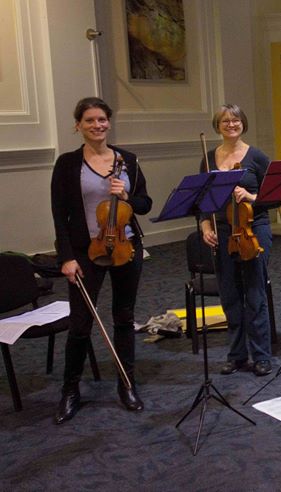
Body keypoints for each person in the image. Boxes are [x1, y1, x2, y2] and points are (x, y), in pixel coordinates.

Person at [51, 97, 152, 423]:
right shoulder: (67, 164)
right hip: (86, 251)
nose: (97, 125)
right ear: (78, 125)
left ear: (109, 123)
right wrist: (66, 257)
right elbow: (59, 215)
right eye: (90, 120)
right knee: (80, 324)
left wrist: (126, 196)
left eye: (102, 120)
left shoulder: (128, 160)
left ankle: (127, 383)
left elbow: (145, 203)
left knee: (123, 317)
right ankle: (70, 389)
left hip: (125, 247)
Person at [199, 104, 274, 377]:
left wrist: (252, 197)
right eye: (225, 121)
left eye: (235, 120)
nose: (231, 125)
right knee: (230, 296)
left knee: (255, 295)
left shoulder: (257, 157)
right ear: (217, 126)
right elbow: (203, 200)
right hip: (222, 231)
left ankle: (262, 355)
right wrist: (205, 225)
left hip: (255, 229)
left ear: (243, 123)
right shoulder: (209, 157)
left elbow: (276, 196)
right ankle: (237, 355)